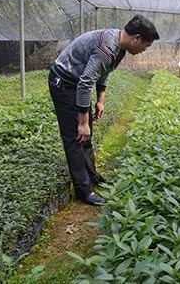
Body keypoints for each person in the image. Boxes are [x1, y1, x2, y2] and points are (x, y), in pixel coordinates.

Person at [48, 14, 159, 205]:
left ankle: (91, 175)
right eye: (145, 46)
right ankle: (84, 190)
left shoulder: (119, 47)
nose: (143, 50)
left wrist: (100, 100)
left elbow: (103, 72)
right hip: (64, 81)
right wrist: (82, 123)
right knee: (76, 135)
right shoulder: (106, 48)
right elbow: (85, 83)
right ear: (137, 38)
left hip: (77, 81)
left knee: (86, 133)